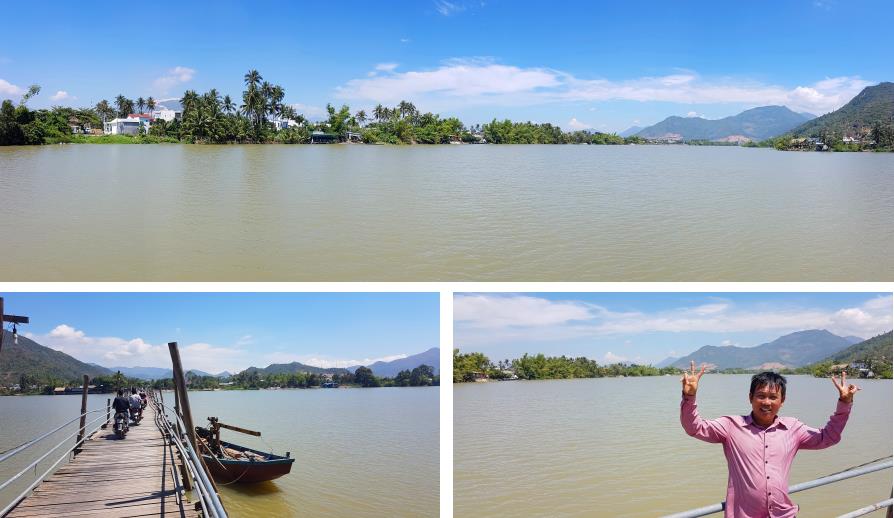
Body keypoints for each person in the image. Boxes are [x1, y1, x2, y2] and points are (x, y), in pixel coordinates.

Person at [680, 362, 859, 518]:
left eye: (773, 397)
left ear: (782, 401)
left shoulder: (793, 428)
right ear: (751, 398)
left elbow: (828, 437)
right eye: (761, 395)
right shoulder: (731, 426)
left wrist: (844, 403)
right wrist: (689, 397)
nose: (766, 402)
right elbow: (694, 428)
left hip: (783, 514)